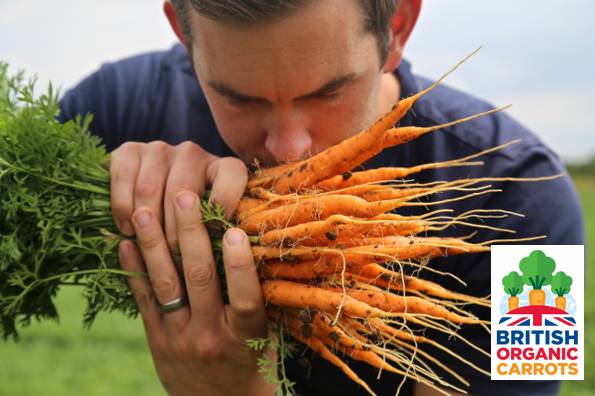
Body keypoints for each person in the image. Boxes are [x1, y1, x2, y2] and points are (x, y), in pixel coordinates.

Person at [57, 0, 585, 395]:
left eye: (328, 92)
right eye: (237, 98)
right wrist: (115, 185)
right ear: (182, 32)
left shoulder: (532, 208)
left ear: (397, 26)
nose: (289, 147)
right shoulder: (115, 107)